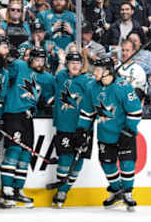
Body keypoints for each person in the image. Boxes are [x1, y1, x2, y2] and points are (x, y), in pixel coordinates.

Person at [77, 57, 143, 211]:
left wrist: (129, 129)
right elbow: (87, 111)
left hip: (124, 132)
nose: (95, 72)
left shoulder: (123, 86)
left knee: (127, 162)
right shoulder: (92, 87)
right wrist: (82, 129)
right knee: (107, 164)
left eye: (98, 69)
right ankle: (116, 190)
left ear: (107, 71)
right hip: (105, 134)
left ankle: (127, 193)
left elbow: (136, 110)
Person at [0, 46, 45, 208]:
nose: (40, 63)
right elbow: (5, 73)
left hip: (27, 118)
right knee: (14, 150)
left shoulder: (41, 75)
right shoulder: (19, 65)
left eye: (42, 60)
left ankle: (18, 189)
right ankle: (6, 191)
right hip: (13, 114)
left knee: (26, 153)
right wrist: (8, 60)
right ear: (30, 59)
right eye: (37, 60)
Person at [51, 51, 93, 207]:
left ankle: (64, 190)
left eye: (78, 62)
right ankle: (61, 189)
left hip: (83, 127)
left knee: (78, 161)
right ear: (67, 65)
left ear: (82, 65)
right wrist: (61, 61)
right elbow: (56, 79)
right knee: (65, 158)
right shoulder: (61, 76)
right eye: (72, 63)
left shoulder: (88, 80)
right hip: (64, 125)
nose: (75, 65)